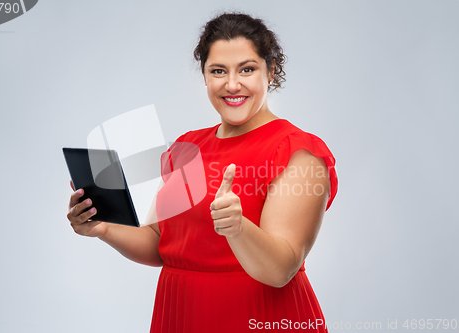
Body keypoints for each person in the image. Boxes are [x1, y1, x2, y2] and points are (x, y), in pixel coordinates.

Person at [67, 12, 338, 333]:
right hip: (181, 314)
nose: (232, 84)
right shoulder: (187, 146)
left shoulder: (298, 152)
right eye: (218, 71)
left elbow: (281, 270)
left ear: (271, 71)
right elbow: (160, 243)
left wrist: (238, 228)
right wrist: (104, 229)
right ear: (205, 76)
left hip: (259, 316)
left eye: (247, 69)